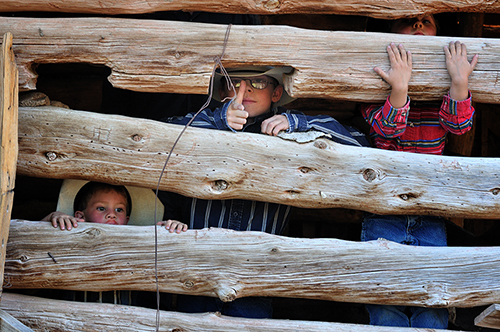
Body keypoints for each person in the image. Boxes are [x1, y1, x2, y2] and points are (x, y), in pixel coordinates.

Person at [159, 65, 370, 318]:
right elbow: (157, 140)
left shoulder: (290, 127)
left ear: (277, 93)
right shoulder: (203, 121)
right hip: (197, 268)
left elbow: (361, 143)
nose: (244, 89)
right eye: (235, 82)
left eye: (257, 83)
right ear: (224, 90)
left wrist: (297, 122)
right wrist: (219, 122)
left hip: (257, 273)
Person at [359, 15, 478, 329]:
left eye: (427, 20)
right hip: (384, 209)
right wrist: (398, 88)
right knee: (386, 301)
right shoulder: (373, 83)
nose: (418, 26)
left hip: (430, 209)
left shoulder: (437, 97)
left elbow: (459, 125)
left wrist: (459, 83)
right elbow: (386, 130)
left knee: (433, 299)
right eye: (408, 20)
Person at [42, 181, 187, 233]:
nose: (112, 215)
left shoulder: (137, 243)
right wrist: (53, 218)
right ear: (80, 216)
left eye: (119, 210)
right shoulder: (68, 233)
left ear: (127, 220)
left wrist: (172, 229)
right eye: (101, 208)